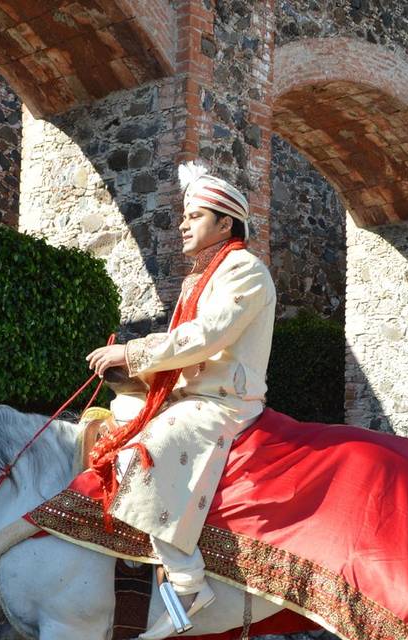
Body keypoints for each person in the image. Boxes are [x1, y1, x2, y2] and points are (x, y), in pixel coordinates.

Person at [85, 162, 276, 638]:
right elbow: (186, 345)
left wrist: (132, 352)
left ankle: (189, 581)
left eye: (194, 216)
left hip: (224, 401)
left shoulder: (245, 270)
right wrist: (131, 374)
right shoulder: (201, 277)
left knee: (147, 449)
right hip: (192, 393)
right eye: (184, 216)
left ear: (225, 223)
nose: (183, 225)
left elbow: (206, 336)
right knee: (114, 418)